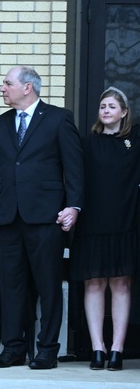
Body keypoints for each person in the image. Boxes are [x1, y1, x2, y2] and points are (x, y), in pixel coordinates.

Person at [0, 66, 84, 370]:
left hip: (46, 217)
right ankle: (13, 348)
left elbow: (74, 167)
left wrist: (74, 206)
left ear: (27, 87)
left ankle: (47, 349)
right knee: (10, 286)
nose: (2, 89)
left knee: (48, 285)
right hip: (7, 219)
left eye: (7, 84)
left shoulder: (58, 118)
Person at [70, 87, 140, 371]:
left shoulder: (135, 140)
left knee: (121, 284)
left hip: (126, 222)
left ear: (124, 112)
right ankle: (97, 347)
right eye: (103, 106)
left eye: (112, 106)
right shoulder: (87, 143)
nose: (106, 110)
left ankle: (117, 349)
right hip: (93, 223)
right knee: (94, 282)